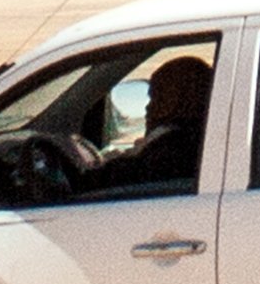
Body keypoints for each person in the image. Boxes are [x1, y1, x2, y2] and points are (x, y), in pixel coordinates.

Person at [89, 55, 213, 192]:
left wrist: (115, 159)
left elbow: (103, 181)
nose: (147, 108)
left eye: (156, 97)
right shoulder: (200, 142)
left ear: (174, 100)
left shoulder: (171, 151)